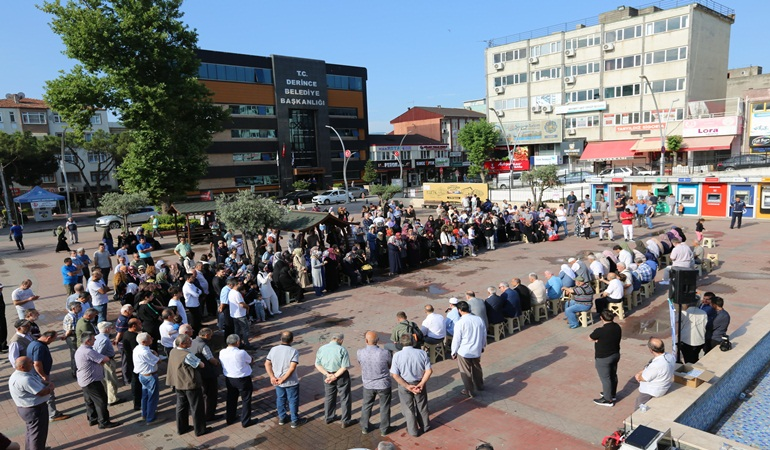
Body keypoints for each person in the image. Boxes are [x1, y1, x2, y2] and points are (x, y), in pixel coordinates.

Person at [167, 334, 211, 436]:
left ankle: (182, 427)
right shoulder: (187, 355)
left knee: (181, 406)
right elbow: (201, 365)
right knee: (196, 407)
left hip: (178, 383)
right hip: (190, 384)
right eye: (188, 341)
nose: (191, 342)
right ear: (182, 344)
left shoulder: (173, 351)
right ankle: (200, 429)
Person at [9, 356, 56, 450]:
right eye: (30, 363)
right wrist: (50, 388)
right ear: (22, 367)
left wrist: (46, 383)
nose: (33, 364)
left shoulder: (21, 374)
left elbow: (38, 380)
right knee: (38, 435)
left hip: (28, 409)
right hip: (35, 409)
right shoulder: (25, 379)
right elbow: (41, 392)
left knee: (31, 432)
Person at [390, 334, 432, 437]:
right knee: (422, 406)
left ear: (401, 343)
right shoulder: (422, 353)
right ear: (413, 342)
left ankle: (413, 430)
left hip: (405, 385)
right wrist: (421, 383)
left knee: (408, 409)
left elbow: (395, 375)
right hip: (419, 383)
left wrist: (407, 386)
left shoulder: (397, 356)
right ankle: (425, 426)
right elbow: (429, 371)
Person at [76, 332, 120, 429]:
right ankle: (103, 422)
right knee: (101, 400)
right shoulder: (88, 352)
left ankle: (93, 418)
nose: (95, 340)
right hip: (92, 380)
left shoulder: (80, 349)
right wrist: (102, 362)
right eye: (93, 339)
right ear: (88, 341)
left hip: (84, 380)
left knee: (89, 400)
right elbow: (105, 359)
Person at [265, 331, 307, 429]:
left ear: (281, 339)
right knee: (292, 401)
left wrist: (272, 377)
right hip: (291, 382)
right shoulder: (293, 351)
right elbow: (292, 367)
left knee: (280, 399)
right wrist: (283, 378)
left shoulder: (273, 349)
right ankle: (295, 420)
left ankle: (282, 418)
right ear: (292, 340)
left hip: (277, 381)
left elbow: (267, 363)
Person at [27, 330, 69, 422]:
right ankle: (52, 415)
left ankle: (51, 412)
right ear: (48, 338)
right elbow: (37, 363)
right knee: (49, 393)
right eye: (53, 339)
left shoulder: (34, 342)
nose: (52, 342)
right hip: (39, 375)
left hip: (35, 374)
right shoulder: (39, 347)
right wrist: (43, 376)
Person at [315, 333, 355, 428]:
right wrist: (335, 376)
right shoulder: (342, 349)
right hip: (341, 376)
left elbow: (317, 364)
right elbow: (344, 366)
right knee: (345, 397)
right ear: (340, 340)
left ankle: (328, 417)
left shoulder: (322, 348)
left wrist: (327, 375)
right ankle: (345, 420)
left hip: (327, 375)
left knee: (329, 396)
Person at [357, 331, 392, 436]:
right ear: (377, 341)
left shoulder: (360, 352)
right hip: (383, 384)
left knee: (366, 405)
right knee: (384, 406)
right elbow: (389, 365)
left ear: (366, 341)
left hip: (368, 384)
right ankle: (384, 429)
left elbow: (360, 363)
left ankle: (364, 427)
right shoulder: (385, 353)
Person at [451, 300, 487, 398]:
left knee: (465, 372)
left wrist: (453, 351)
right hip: (476, 349)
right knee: (476, 368)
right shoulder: (478, 319)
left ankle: (469, 390)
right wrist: (483, 345)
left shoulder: (460, 323)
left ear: (459, 310)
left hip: (464, 351)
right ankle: (480, 385)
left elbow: (456, 339)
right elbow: (484, 334)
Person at [220, 334, 256, 427]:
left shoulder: (222, 352)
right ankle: (246, 421)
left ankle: (230, 418)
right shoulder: (241, 352)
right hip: (242, 379)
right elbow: (250, 360)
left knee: (231, 398)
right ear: (237, 342)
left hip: (229, 378)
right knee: (246, 400)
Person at [589, 310, 621, 407]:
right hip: (615, 354)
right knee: (613, 375)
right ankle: (612, 394)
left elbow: (590, 338)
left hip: (603, 358)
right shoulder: (617, 327)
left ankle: (608, 399)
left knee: (605, 378)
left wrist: (597, 340)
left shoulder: (600, 331)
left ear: (601, 318)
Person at [634, 338, 676, 409]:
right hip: (663, 386)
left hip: (651, 391)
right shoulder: (670, 356)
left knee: (639, 405)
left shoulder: (656, 365)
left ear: (651, 350)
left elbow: (643, 378)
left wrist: (638, 375)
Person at [133, 332, 161, 425]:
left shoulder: (138, 348)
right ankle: (151, 418)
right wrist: (156, 354)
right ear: (144, 342)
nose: (152, 338)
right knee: (152, 397)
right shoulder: (145, 352)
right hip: (150, 376)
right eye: (150, 338)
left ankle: (145, 413)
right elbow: (157, 360)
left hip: (142, 375)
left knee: (145, 396)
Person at [94, 322, 120, 405]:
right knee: (111, 380)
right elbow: (100, 353)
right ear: (107, 329)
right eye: (110, 327)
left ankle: (106, 395)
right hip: (107, 361)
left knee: (104, 380)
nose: (112, 329)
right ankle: (112, 399)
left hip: (102, 362)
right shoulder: (104, 339)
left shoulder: (97, 337)